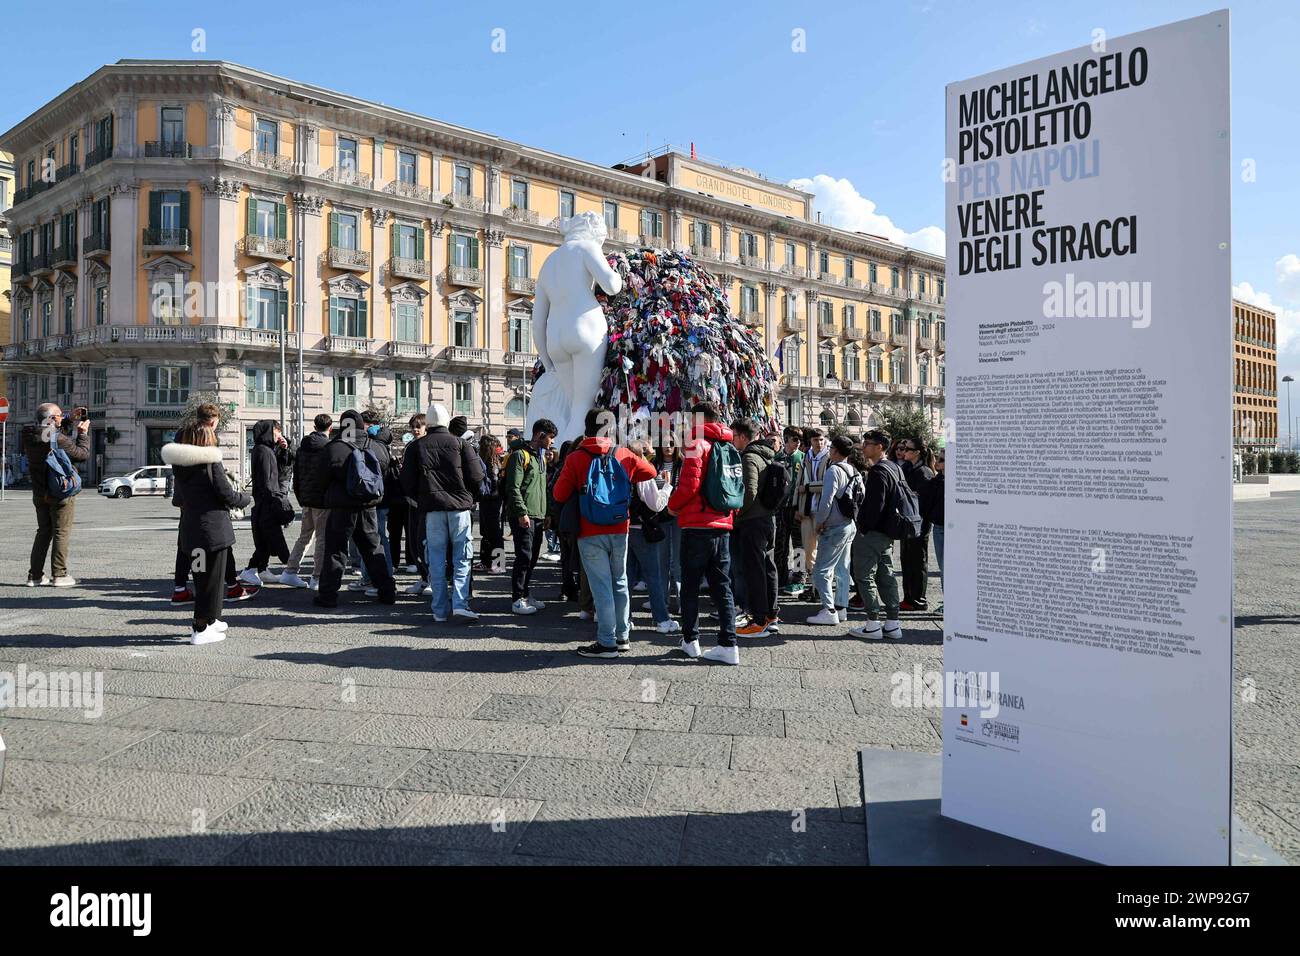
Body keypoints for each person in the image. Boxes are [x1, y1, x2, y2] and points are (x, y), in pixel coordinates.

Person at [552, 409, 656, 657]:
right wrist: (644, 456)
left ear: (586, 427)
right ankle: (623, 637)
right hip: (620, 527)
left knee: (601, 586)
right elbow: (650, 473)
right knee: (620, 582)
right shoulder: (623, 453)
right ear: (610, 429)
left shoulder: (577, 457)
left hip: (589, 529)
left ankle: (607, 641)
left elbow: (558, 494)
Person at [163, 424, 251, 645]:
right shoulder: (210, 462)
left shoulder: (179, 464)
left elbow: (177, 499)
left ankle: (210, 621)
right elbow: (226, 494)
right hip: (212, 532)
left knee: (202, 578)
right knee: (211, 581)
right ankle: (200, 627)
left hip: (191, 532)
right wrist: (245, 499)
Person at [665, 403, 740, 665]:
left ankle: (691, 640)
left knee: (690, 585)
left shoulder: (697, 443)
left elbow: (689, 485)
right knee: (722, 586)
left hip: (697, 525)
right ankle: (729, 644)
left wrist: (672, 507)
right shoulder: (728, 446)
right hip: (723, 524)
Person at [401, 403, 484, 622]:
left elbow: (406, 481)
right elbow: (477, 476)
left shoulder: (415, 447)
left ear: (427, 423)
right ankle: (460, 604)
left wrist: (421, 500)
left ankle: (439, 609)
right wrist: (470, 498)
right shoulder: (460, 444)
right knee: (462, 558)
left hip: (432, 510)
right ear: (447, 421)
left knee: (435, 560)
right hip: (459, 509)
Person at [169, 404, 257, 603]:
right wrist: (244, 499)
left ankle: (181, 588)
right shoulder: (207, 449)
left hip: (187, 504)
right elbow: (221, 488)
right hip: (209, 510)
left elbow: (181, 474)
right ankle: (229, 588)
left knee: (187, 546)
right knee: (220, 546)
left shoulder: (182, 437)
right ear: (212, 422)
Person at [313, 409, 397, 607]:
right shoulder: (374, 445)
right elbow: (383, 467)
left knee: (335, 550)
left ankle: (328, 595)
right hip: (368, 506)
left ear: (343, 425)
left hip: (342, 507)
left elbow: (321, 478)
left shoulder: (334, 447)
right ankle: (387, 591)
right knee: (373, 549)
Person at [23, 402, 90, 587]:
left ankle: (34, 576)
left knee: (43, 532)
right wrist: (83, 434)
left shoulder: (29, 435)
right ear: (52, 419)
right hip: (60, 492)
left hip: (39, 492)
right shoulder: (58, 438)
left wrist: (68, 419)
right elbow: (81, 455)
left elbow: (49, 434)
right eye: (59, 415)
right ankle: (59, 575)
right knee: (61, 532)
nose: (62, 417)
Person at [847, 429, 903, 640]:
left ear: (880, 447)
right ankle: (892, 623)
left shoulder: (879, 471)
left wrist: (862, 527)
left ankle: (872, 624)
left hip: (873, 533)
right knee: (886, 576)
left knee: (864, 576)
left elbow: (874, 506)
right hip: (887, 532)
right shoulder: (894, 468)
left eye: (868, 443)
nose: (864, 446)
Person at [731, 420, 780, 637]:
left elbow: (749, 491)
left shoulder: (749, 457)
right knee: (768, 567)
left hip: (753, 521)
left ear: (742, 436)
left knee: (755, 570)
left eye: (734, 435)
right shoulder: (767, 454)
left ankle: (759, 620)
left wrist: (738, 514)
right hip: (768, 519)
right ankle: (771, 614)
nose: (732, 439)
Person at [504, 418, 558, 615]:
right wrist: (521, 512)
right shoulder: (520, 455)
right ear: (540, 435)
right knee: (524, 557)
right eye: (550, 437)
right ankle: (517, 598)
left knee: (533, 557)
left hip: (537, 514)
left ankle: (525, 594)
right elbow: (513, 487)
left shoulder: (540, 457)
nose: (551, 442)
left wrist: (547, 514)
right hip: (524, 515)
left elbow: (543, 489)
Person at [626, 439, 679, 635]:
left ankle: (625, 618)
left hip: (624, 527)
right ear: (641, 454)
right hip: (642, 529)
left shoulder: (620, 468)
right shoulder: (642, 472)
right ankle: (662, 620)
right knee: (654, 576)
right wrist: (666, 487)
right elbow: (655, 504)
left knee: (627, 576)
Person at [806, 434, 858, 626]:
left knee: (821, 569)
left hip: (835, 525)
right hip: (849, 524)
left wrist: (819, 522)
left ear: (834, 450)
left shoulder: (833, 470)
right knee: (843, 568)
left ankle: (828, 609)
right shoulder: (853, 470)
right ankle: (841, 607)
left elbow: (826, 500)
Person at [240, 420, 293, 586]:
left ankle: (260, 569)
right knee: (273, 538)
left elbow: (281, 467)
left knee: (265, 540)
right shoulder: (263, 451)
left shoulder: (264, 449)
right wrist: (276, 499)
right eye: (276, 432)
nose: (279, 435)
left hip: (265, 501)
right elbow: (266, 479)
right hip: (267, 501)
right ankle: (290, 570)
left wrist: (284, 449)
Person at [283, 413, 332, 589]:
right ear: (330, 428)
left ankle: (290, 571)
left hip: (306, 499)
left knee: (304, 536)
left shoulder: (302, 447)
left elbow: (296, 477)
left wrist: (301, 497)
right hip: (322, 501)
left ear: (314, 426)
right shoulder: (328, 448)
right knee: (322, 539)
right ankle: (316, 578)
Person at [898, 437, 935, 611]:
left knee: (918, 561)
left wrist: (911, 496)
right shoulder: (906, 468)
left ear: (917, 452)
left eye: (908, 449)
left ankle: (918, 598)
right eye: (903, 448)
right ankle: (908, 597)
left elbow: (923, 500)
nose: (903, 451)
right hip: (908, 522)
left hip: (920, 523)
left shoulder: (924, 472)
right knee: (906, 560)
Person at [796, 427, 829, 603]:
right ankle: (814, 586)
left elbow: (828, 484)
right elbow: (798, 482)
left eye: (822, 439)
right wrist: (796, 506)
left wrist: (809, 488)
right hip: (807, 510)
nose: (819, 443)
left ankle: (822, 590)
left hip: (824, 510)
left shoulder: (829, 458)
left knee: (824, 551)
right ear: (811, 441)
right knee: (809, 551)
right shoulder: (806, 457)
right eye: (816, 440)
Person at [403, 414, 432, 597]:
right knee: (413, 541)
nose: (415, 429)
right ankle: (423, 578)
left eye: (419, 426)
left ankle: (431, 579)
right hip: (412, 501)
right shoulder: (410, 446)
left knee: (425, 542)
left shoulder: (427, 445)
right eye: (413, 426)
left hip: (426, 501)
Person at [775, 426, 805, 596]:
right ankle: (781, 577)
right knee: (780, 545)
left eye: (799, 440)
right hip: (779, 509)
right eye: (794, 440)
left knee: (799, 546)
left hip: (797, 509)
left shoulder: (803, 458)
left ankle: (799, 578)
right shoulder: (776, 458)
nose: (797, 443)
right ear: (786, 438)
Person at [475, 434, 505, 573]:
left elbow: (493, 485)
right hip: (490, 501)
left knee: (493, 534)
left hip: (491, 501)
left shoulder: (491, 463)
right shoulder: (492, 461)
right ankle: (487, 561)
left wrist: (485, 495)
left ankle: (499, 564)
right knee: (488, 533)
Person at [922, 447, 945, 614]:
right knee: (944, 567)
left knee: (947, 567)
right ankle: (948, 601)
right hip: (938, 526)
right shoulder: (937, 480)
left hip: (948, 527)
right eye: (938, 458)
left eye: (942, 460)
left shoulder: (952, 482)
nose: (938, 462)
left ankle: (950, 602)